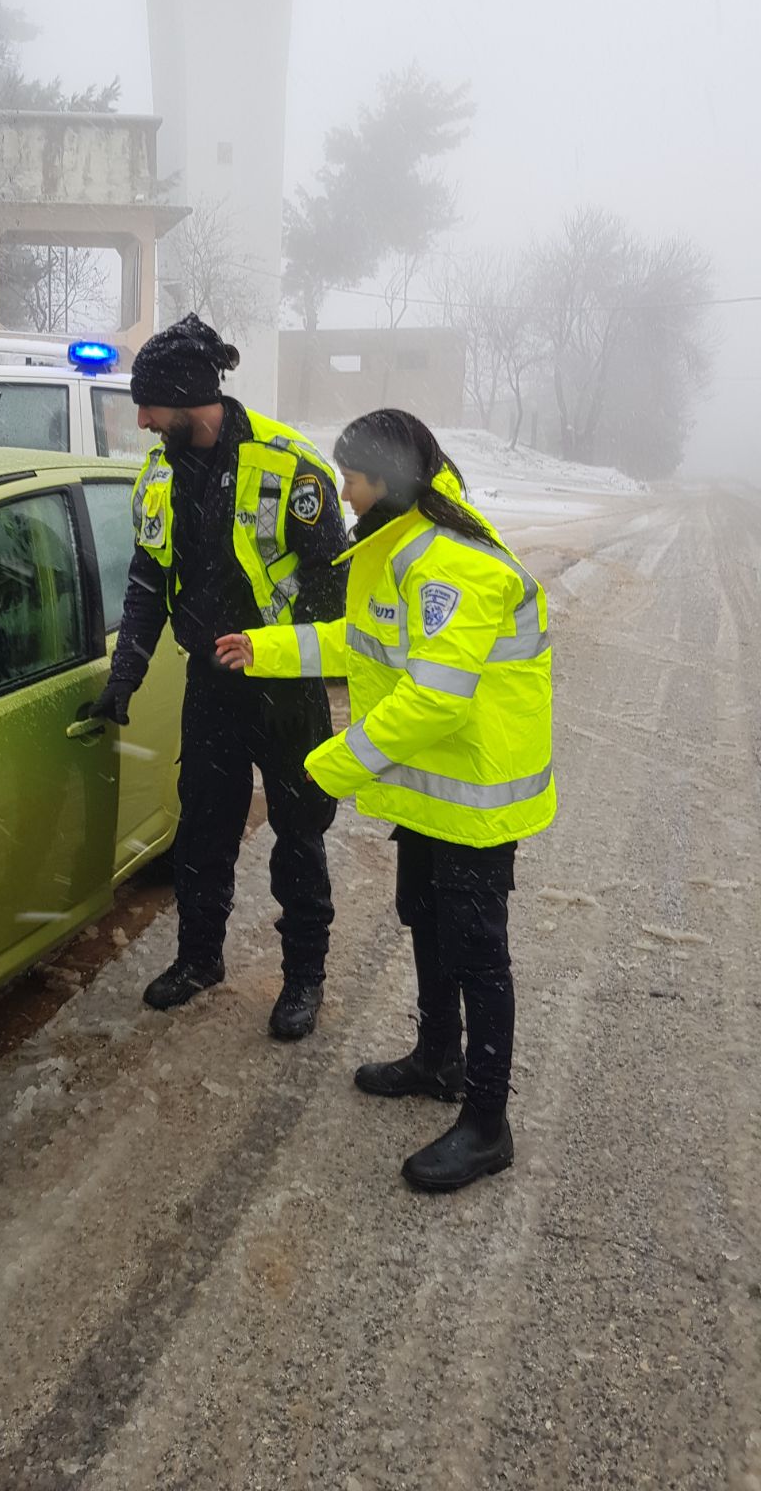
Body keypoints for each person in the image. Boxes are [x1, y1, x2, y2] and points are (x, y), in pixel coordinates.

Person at [215, 409, 555, 1189]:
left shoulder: (449, 564)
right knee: (427, 922)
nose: (344, 491)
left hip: (475, 798)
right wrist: (264, 648)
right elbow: (356, 640)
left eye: (355, 476)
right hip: (433, 795)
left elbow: (435, 699)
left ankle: (486, 1122)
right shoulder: (396, 546)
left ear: (390, 479)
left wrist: (329, 765)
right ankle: (438, 1057)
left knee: (478, 954)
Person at [90, 313, 347, 1040]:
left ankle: (304, 979)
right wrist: (126, 673)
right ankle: (200, 958)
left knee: (299, 835)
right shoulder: (160, 471)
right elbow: (147, 577)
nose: (140, 421)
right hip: (211, 685)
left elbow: (333, 592)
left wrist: (281, 651)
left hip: (284, 688)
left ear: (187, 397)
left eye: (149, 406)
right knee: (201, 832)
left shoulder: (289, 468)